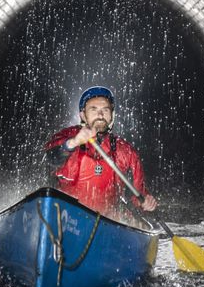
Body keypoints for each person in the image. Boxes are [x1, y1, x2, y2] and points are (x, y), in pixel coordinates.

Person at [44, 86, 158, 220]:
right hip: (65, 217)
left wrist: (146, 203)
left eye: (105, 110)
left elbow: (137, 193)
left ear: (112, 116)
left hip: (106, 221)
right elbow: (50, 158)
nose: (100, 115)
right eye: (94, 109)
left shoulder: (126, 151)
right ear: (83, 115)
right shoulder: (67, 135)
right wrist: (73, 142)